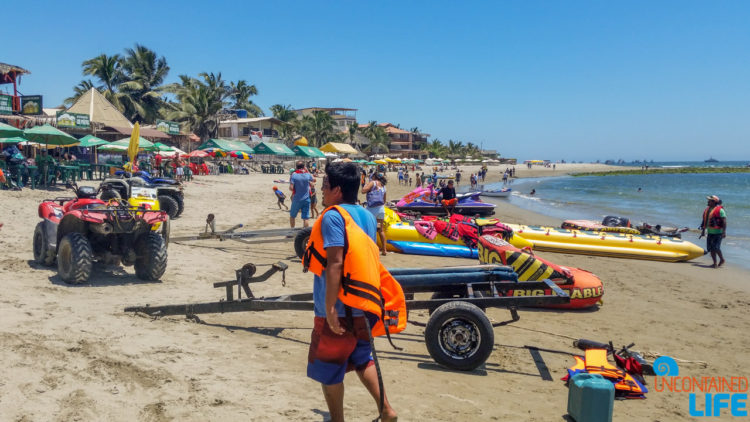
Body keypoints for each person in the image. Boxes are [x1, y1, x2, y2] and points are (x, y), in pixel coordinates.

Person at [305, 163, 398, 422]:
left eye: (324, 186)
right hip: (363, 304)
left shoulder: (334, 216)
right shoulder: (367, 216)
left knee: (329, 369)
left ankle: (338, 420)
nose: (321, 191)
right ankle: (387, 410)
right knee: (362, 358)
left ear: (336, 190)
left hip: (338, 308)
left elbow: (336, 261)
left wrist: (331, 307)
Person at [362, 173, 388, 256]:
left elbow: (363, 191)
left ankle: (371, 248)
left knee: (368, 228)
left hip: (371, 210)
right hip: (380, 210)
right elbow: (384, 201)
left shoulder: (372, 182)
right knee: (380, 230)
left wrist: (366, 185)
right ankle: (384, 250)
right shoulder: (383, 186)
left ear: (374, 177)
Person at [700, 195, 726, 268]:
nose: (708, 202)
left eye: (709, 200)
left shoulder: (720, 210)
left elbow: (724, 221)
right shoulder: (707, 210)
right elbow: (704, 221)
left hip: (718, 233)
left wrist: (724, 232)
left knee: (716, 247)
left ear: (714, 202)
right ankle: (714, 263)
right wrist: (703, 231)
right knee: (711, 248)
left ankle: (721, 259)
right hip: (710, 232)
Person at [289, 160, 315, 228]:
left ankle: (291, 233)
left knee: (292, 216)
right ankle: (305, 234)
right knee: (305, 218)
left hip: (297, 199)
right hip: (306, 199)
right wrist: (307, 171)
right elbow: (313, 180)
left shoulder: (294, 175)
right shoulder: (307, 175)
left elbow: (291, 188)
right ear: (304, 167)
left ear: (296, 167)